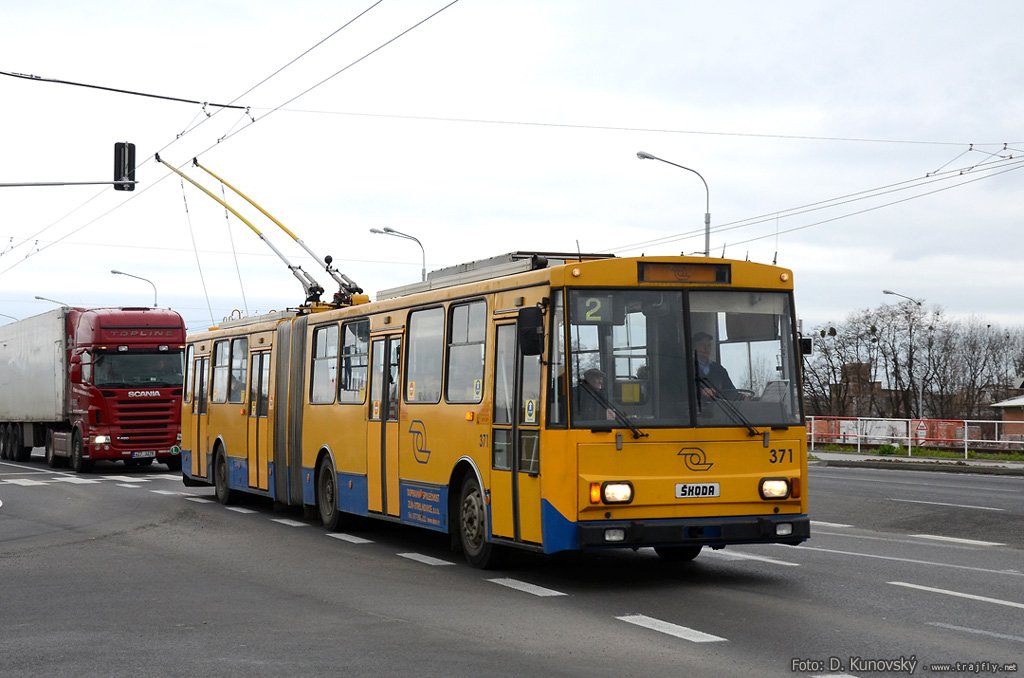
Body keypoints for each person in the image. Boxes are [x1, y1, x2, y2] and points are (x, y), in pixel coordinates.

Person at [693, 331, 745, 400]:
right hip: (696, 409)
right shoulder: (686, 368)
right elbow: (682, 391)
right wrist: (700, 391)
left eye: (709, 345)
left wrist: (742, 397)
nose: (706, 348)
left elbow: (730, 392)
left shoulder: (719, 369)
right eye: (702, 345)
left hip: (719, 409)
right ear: (694, 347)